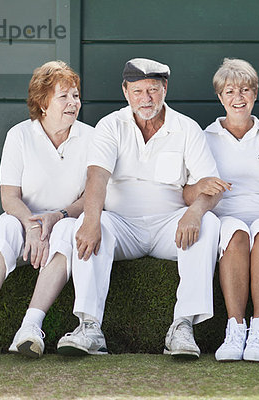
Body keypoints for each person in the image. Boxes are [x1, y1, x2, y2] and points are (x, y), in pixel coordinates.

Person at [56, 58, 221, 359]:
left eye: (153, 90)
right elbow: (97, 177)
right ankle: (90, 328)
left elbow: (211, 186)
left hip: (170, 226)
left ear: (165, 89)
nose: (146, 99)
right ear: (125, 91)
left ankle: (182, 327)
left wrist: (195, 212)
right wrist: (92, 219)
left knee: (209, 224)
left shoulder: (187, 128)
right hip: (122, 225)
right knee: (92, 224)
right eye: (138, 91)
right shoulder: (110, 126)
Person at [0, 60, 92, 359]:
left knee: (69, 231)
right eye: (64, 96)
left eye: (76, 96)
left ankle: (30, 327)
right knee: (2, 228)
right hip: (24, 220)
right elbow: (9, 197)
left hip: (65, 218)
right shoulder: (19, 135)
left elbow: (90, 196)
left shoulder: (92, 138)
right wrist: (32, 224)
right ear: (42, 103)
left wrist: (57, 217)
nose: (73, 103)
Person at [185, 59, 259, 362]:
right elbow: (185, 192)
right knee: (235, 233)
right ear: (219, 96)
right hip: (225, 214)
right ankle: (235, 328)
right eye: (230, 91)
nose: (238, 98)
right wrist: (201, 186)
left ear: (255, 94)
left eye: (245, 90)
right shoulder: (204, 137)